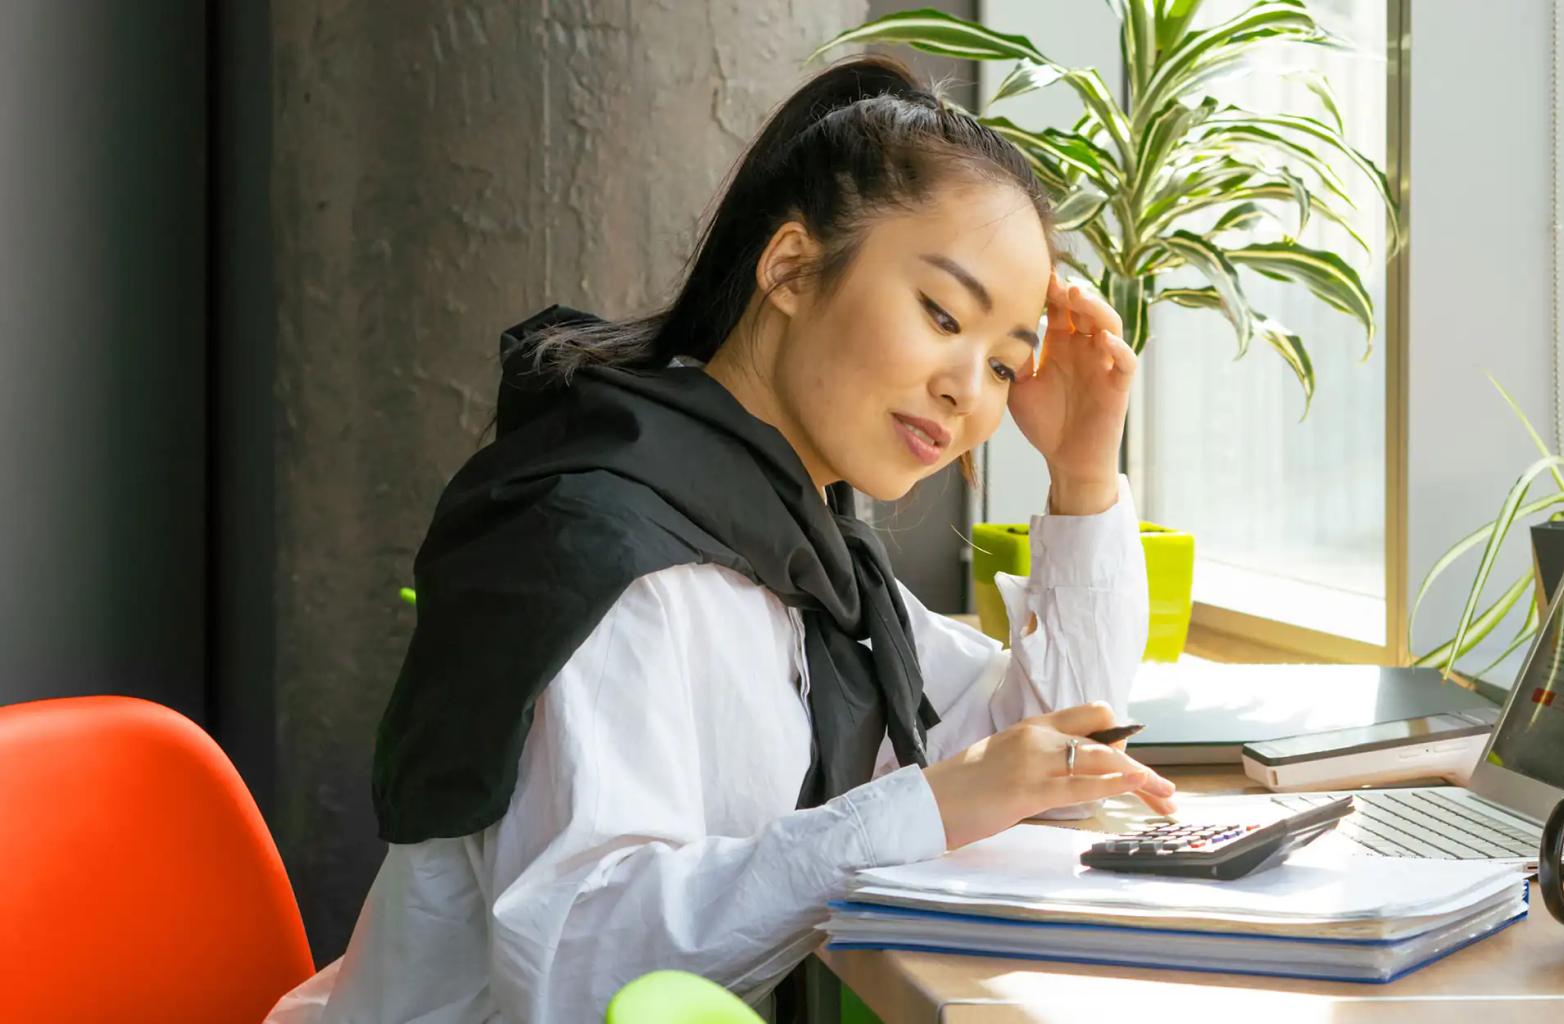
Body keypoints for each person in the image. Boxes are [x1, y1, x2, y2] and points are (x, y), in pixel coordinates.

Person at [267, 55, 1176, 1023]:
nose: (967, 390)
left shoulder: (802, 555)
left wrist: (1083, 473)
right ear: (789, 268)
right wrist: (928, 805)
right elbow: (580, 968)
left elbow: (1053, 751)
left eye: (1002, 365)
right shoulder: (620, 555)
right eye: (942, 314)